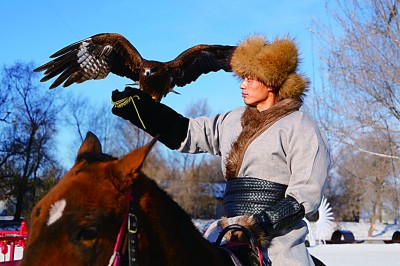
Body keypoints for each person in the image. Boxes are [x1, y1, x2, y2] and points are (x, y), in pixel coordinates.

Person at [111, 35, 330, 266]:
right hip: (227, 234)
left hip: (279, 242)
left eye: (250, 78)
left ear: (272, 81)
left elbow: (305, 196)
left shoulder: (301, 126)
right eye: (242, 78)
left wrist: (259, 224)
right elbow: (188, 133)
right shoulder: (232, 119)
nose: (242, 85)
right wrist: (143, 111)